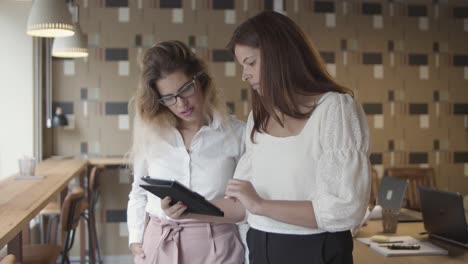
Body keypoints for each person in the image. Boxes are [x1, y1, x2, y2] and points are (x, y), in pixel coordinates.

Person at [223, 11, 370, 263]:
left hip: (316, 249)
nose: (244, 75)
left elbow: (344, 210)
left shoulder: (335, 109)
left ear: (279, 56)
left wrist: (261, 205)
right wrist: (188, 210)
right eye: (242, 66)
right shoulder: (258, 119)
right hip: (260, 245)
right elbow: (242, 207)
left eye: (251, 62)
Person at [127, 40, 246, 264]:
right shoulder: (152, 135)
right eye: (169, 98)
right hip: (159, 243)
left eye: (185, 90)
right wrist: (136, 240)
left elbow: (245, 203)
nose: (181, 104)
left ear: (200, 80)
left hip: (218, 247)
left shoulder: (236, 134)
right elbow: (139, 192)